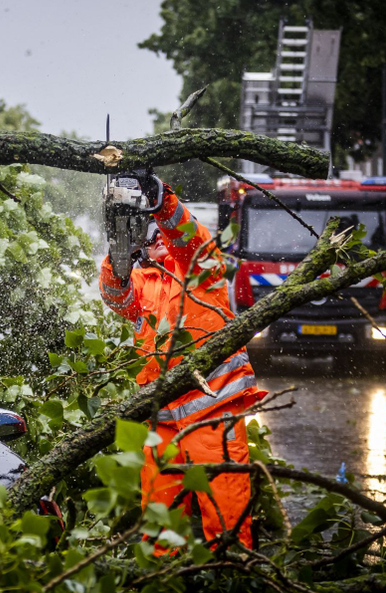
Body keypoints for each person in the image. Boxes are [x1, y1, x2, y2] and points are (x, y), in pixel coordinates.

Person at [99, 174, 266, 551]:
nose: (157, 236)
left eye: (162, 232)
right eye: (150, 233)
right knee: (159, 532)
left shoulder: (203, 267)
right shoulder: (141, 282)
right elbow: (115, 294)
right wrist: (119, 247)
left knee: (227, 527)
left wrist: (161, 200)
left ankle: (232, 576)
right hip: (161, 426)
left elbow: (189, 236)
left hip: (214, 416)